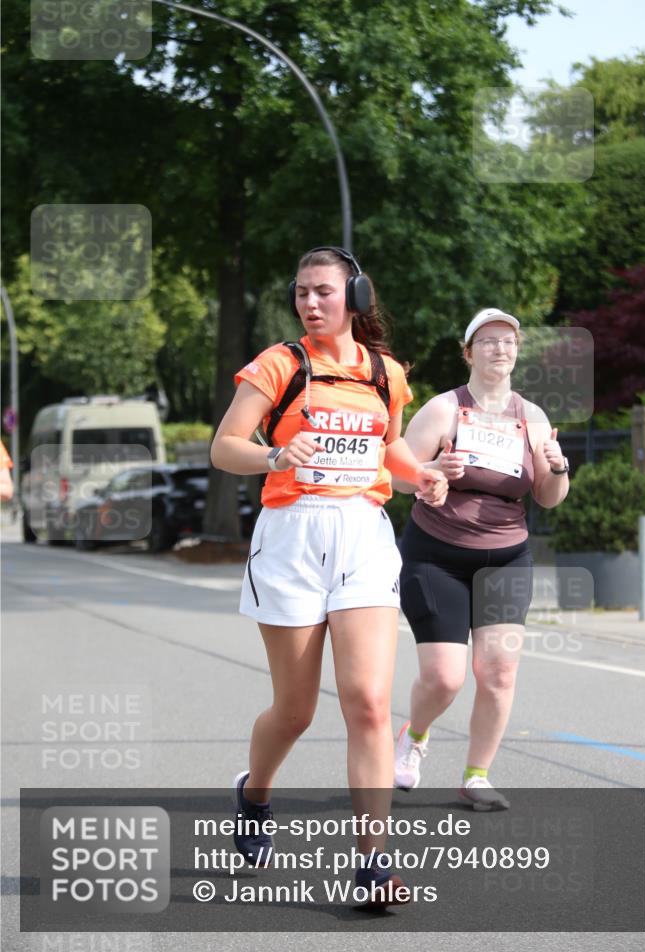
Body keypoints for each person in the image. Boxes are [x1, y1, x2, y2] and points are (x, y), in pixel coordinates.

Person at [210, 247, 447, 904]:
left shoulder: (384, 373)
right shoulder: (280, 364)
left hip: (362, 535)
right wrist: (275, 452)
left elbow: (389, 447)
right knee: (295, 711)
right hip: (291, 539)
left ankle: (372, 865)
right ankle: (253, 793)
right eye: (301, 292)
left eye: (323, 291)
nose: (310, 303)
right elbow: (224, 447)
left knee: (369, 703)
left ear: (356, 297)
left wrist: (420, 476)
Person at [393, 308, 569, 810]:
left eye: (509, 342)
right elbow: (397, 476)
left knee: (498, 673)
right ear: (468, 352)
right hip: (436, 556)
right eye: (488, 341)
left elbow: (551, 496)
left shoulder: (531, 417)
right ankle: (416, 735)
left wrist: (557, 469)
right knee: (445, 677)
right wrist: (430, 470)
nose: (500, 349)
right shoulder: (444, 409)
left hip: (507, 558)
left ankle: (476, 775)